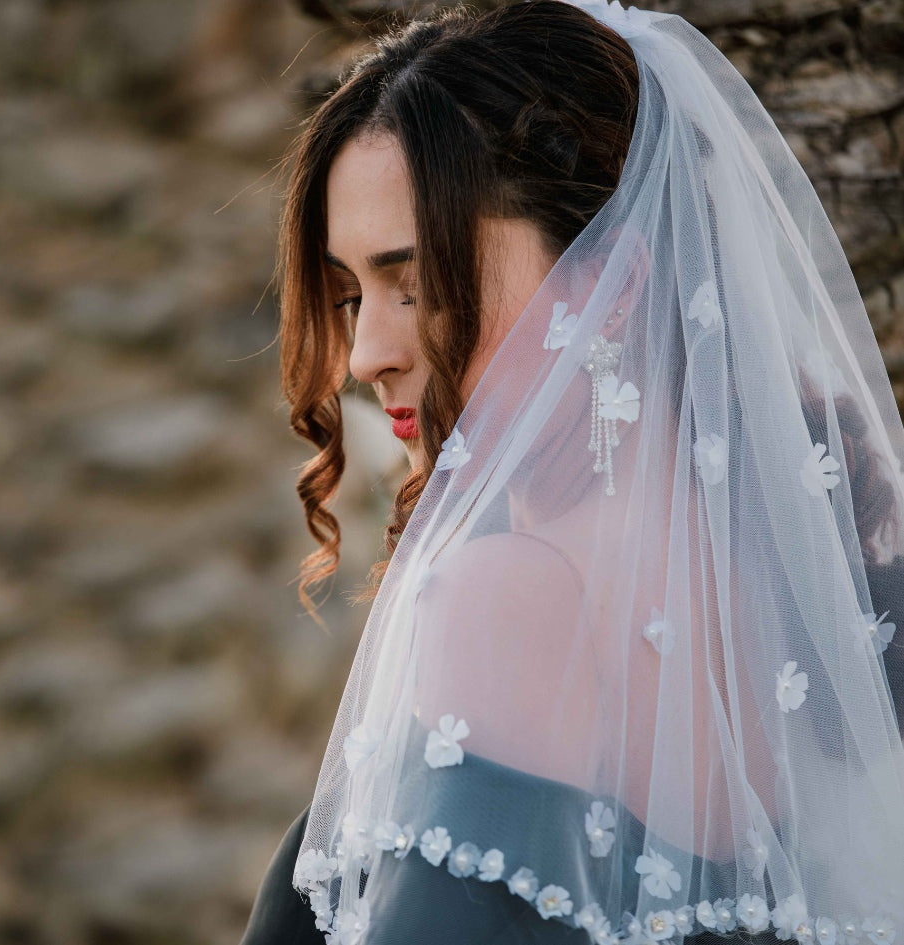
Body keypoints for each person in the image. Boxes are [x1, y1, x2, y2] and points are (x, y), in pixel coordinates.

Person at [240, 1, 904, 942]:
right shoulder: (832, 627)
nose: (364, 354)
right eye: (351, 296)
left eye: (415, 285)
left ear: (611, 281)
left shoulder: (504, 599)